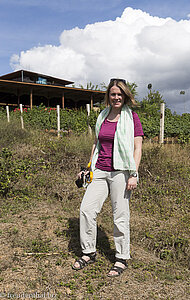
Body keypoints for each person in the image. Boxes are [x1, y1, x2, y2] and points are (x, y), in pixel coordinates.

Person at [72, 78, 143, 277]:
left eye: (120, 94)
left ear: (125, 96)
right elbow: (96, 144)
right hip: (100, 170)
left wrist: (134, 174)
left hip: (121, 171)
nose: (116, 97)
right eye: (113, 94)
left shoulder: (132, 117)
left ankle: (121, 257)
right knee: (86, 210)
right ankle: (88, 252)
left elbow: (137, 148)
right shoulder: (102, 116)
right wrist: (88, 167)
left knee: (120, 215)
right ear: (108, 96)